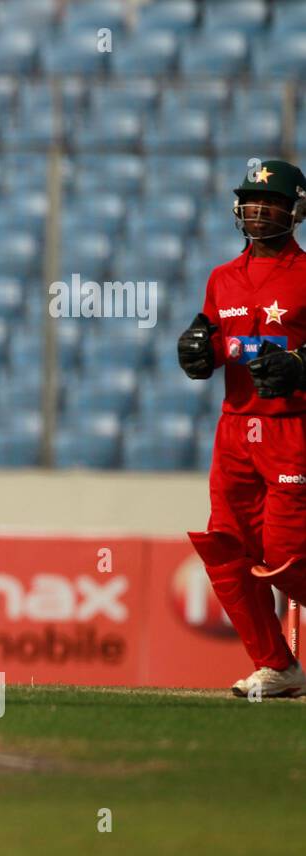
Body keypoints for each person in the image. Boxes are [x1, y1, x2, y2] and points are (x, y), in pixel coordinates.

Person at [178, 158, 306, 698]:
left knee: (282, 554)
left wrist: (300, 365)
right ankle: (278, 666)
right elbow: (210, 335)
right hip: (234, 432)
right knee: (226, 550)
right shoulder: (221, 277)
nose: (258, 210)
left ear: (294, 210)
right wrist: (193, 351)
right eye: (251, 201)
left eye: (270, 202)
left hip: (291, 431)